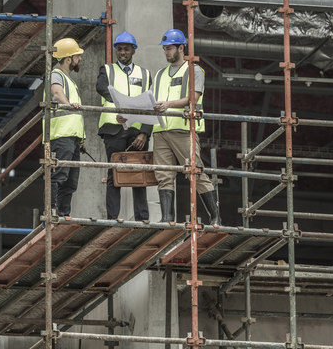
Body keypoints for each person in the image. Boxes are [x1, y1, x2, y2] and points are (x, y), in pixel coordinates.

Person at [151, 29, 220, 225]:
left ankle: (215, 216)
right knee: (163, 175)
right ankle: (167, 219)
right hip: (161, 131)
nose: (166, 52)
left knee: (194, 171)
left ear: (181, 48)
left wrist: (168, 104)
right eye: (164, 49)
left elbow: (193, 98)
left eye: (169, 49)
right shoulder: (159, 75)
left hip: (183, 129)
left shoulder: (194, 70)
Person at [96, 31, 154, 221]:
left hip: (137, 132)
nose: (122, 52)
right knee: (114, 175)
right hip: (114, 130)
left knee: (140, 175)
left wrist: (145, 133)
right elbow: (101, 88)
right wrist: (120, 107)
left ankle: (142, 218)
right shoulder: (107, 70)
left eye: (126, 49)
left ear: (133, 51)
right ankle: (113, 219)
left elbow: (150, 104)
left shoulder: (145, 74)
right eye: (119, 49)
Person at [45, 38, 86, 217]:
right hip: (61, 135)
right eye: (78, 56)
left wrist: (82, 140)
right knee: (59, 175)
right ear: (68, 59)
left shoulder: (69, 80)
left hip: (72, 137)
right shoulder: (56, 74)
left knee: (70, 181)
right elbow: (56, 92)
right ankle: (53, 211)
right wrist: (68, 104)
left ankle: (63, 214)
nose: (80, 59)